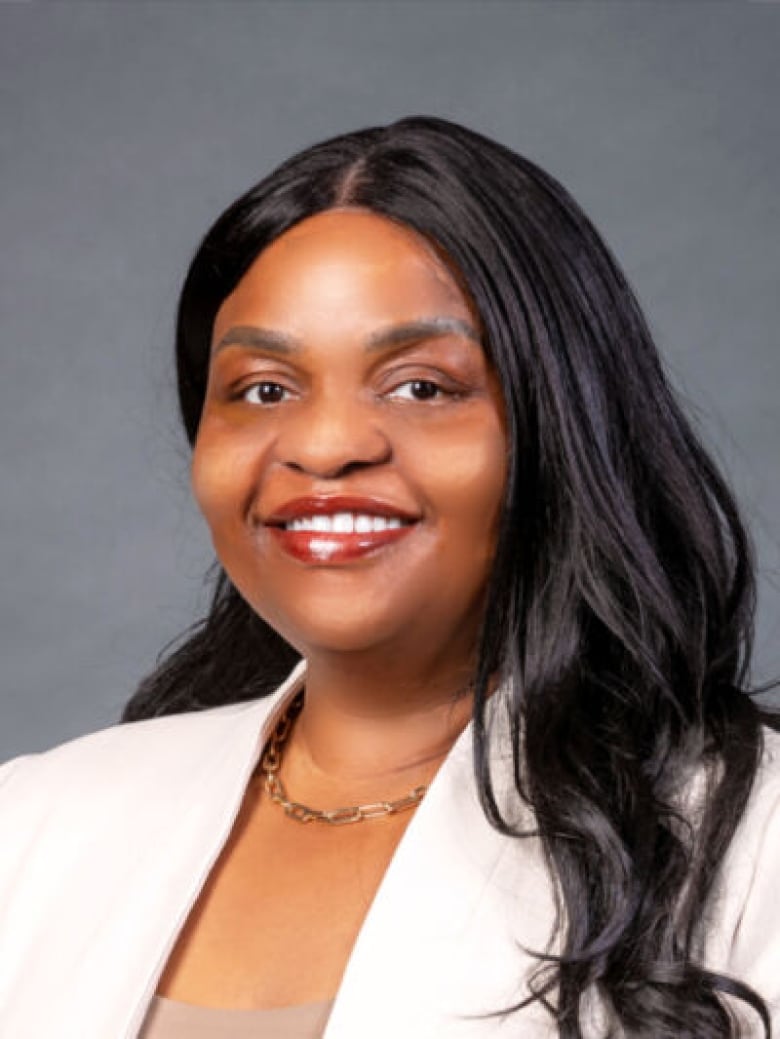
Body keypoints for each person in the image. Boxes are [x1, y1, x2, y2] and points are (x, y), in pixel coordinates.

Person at [0, 116, 778, 1039]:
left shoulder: (754, 837)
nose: (326, 446)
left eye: (421, 386)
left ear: (560, 424)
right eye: (263, 389)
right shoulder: (34, 823)